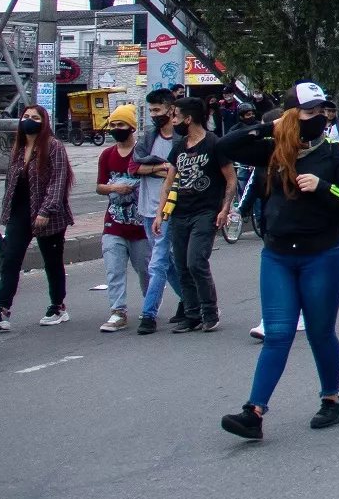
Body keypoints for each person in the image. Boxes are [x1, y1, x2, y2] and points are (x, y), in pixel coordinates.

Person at [215, 82, 339, 440]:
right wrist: (270, 127)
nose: (319, 119)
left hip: (323, 255)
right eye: (309, 112)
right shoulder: (274, 150)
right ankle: (254, 412)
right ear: (291, 115)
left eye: (322, 112)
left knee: (319, 332)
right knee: (277, 334)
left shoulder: (337, 152)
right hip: (278, 254)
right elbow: (222, 147)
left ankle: (332, 399)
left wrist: (323, 187)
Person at [0, 102, 74, 330]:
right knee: (11, 258)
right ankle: (1, 309)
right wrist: (6, 212)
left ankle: (57, 306)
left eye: (35, 117)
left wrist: (46, 210)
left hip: (48, 214)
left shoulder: (54, 147)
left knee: (52, 261)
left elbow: (58, 182)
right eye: (26, 116)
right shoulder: (18, 147)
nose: (29, 121)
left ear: (44, 123)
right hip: (20, 214)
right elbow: (11, 184)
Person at [162, 97, 235, 332]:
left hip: (205, 213)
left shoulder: (215, 143)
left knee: (196, 262)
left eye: (176, 116)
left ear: (188, 118)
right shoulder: (179, 147)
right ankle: (191, 315)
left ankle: (210, 312)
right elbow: (168, 182)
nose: (173, 121)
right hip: (180, 214)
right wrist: (159, 215)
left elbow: (231, 180)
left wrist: (225, 209)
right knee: (182, 265)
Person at [133, 89, 187, 334]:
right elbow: (135, 167)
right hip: (146, 207)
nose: (154, 115)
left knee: (157, 262)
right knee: (169, 264)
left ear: (171, 109)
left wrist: (156, 168)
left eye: (158, 110)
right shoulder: (148, 137)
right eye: (151, 110)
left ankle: (148, 314)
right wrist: (161, 168)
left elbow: (179, 172)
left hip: (169, 209)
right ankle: (193, 301)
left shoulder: (181, 139)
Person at [95, 104, 151, 332]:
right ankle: (118, 312)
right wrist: (114, 188)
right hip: (114, 223)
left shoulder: (142, 154)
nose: (117, 129)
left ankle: (150, 306)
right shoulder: (107, 155)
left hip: (140, 226)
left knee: (145, 269)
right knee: (114, 269)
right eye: (113, 125)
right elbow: (99, 186)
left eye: (121, 125)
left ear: (131, 127)